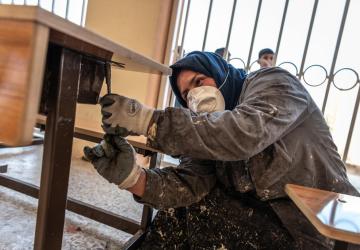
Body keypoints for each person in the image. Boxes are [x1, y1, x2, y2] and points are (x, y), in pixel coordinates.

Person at [84, 51, 359, 249]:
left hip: (322, 231)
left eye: (199, 81)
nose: (194, 95)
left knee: (202, 212)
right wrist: (133, 178)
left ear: (221, 75)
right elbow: (191, 185)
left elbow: (245, 133)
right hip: (269, 228)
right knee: (187, 209)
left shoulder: (273, 83)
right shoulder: (204, 132)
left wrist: (149, 121)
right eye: (185, 94)